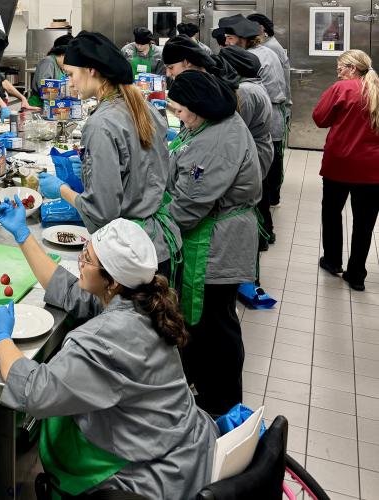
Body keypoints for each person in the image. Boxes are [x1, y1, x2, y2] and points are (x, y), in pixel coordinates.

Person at [0, 205, 217, 498]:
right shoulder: (141, 300)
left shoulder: (104, 341)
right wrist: (22, 235)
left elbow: (34, 391)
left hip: (152, 473)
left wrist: (1, 338)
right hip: (181, 440)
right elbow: (68, 290)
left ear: (113, 280)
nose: (80, 262)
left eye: (87, 259)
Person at [37, 31, 181, 282]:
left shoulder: (101, 124)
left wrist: (61, 190)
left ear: (91, 70)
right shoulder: (143, 105)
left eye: (71, 74)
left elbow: (102, 212)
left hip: (129, 254)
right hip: (159, 244)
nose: (69, 83)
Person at [166, 71, 261, 415]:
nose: (178, 119)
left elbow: (189, 208)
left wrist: (152, 226)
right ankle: (206, 396)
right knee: (212, 319)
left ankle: (222, 407)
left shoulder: (215, 142)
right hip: (219, 233)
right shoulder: (214, 122)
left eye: (179, 111)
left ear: (197, 106)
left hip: (216, 242)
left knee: (214, 324)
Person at [314, 50, 379, 291]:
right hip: (373, 169)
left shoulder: (342, 89)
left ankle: (332, 260)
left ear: (352, 68)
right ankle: (356, 274)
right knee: (365, 222)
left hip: (339, 164)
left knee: (332, 213)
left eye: (341, 66)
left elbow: (320, 119)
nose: (338, 71)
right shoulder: (376, 89)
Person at [224, 17, 286, 248]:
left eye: (231, 39)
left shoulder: (257, 60)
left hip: (261, 129)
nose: (227, 43)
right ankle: (264, 233)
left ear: (244, 40)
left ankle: (263, 234)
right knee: (260, 187)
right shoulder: (262, 53)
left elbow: (248, 109)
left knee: (258, 191)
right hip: (264, 126)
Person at [248, 13, 291, 207]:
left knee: (273, 155)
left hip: (273, 108)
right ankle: (273, 194)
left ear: (263, 29)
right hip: (275, 107)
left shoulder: (269, 48)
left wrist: (287, 104)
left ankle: (273, 195)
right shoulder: (268, 47)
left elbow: (276, 85)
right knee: (273, 153)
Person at [218, 45, 274, 181]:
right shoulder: (252, 85)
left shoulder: (245, 91)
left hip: (253, 154)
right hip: (258, 149)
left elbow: (236, 130)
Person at [29, 34, 74, 107]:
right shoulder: (48, 62)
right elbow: (44, 87)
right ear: (63, 55)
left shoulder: (60, 66)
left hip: (53, 104)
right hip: (38, 105)